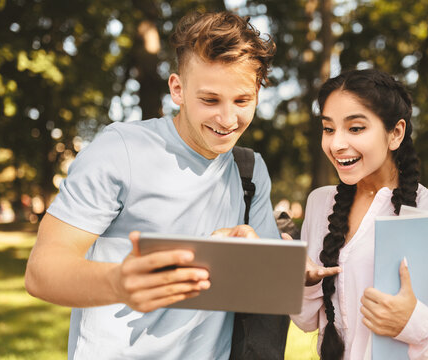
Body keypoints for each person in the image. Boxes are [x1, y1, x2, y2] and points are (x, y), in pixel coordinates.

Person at [24, 11, 282, 359]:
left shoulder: (250, 170)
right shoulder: (119, 150)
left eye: (242, 101)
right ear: (177, 88)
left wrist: (250, 257)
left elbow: (265, 292)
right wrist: (118, 282)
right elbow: (41, 272)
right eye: (209, 100)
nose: (227, 119)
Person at [290, 69, 428, 359]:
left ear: (395, 133)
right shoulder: (320, 203)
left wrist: (413, 323)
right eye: (328, 128)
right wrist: (304, 281)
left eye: (356, 128)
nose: (336, 144)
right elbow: (307, 322)